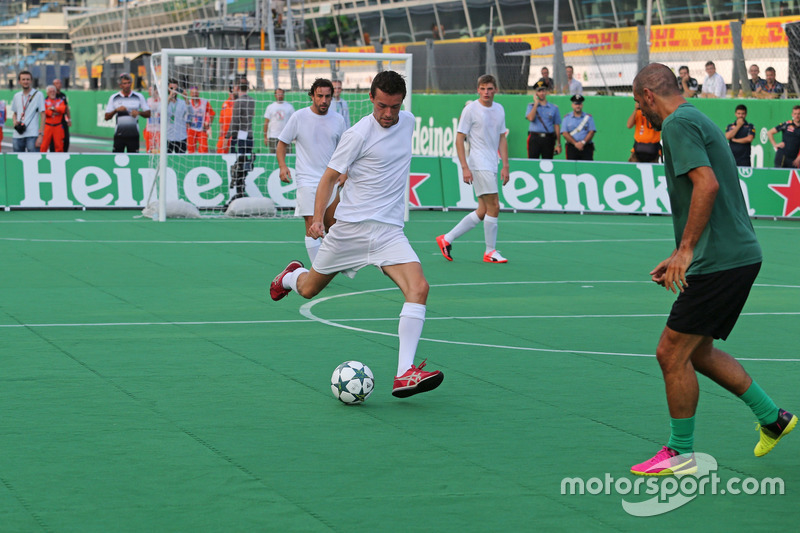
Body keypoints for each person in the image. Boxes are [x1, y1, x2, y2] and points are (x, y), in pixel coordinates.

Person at [629, 62, 795, 476]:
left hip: (721, 260)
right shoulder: (695, 116)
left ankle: (680, 453)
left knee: (670, 353)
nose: (640, 114)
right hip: (732, 254)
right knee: (697, 351)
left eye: (638, 103)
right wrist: (681, 251)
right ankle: (773, 418)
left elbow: (707, 185)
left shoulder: (675, 125)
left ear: (649, 95)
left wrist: (686, 251)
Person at [269, 70, 444, 399]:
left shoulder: (408, 122)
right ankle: (291, 276)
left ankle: (405, 372)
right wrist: (318, 218)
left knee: (419, 288)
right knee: (308, 290)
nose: (388, 114)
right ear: (371, 99)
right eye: (381, 106)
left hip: (389, 232)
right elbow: (329, 178)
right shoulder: (357, 133)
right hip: (350, 231)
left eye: (394, 106)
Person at [436, 74, 510, 264]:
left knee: (483, 209)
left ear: (496, 90)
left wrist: (505, 165)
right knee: (494, 205)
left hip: (492, 163)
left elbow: (502, 138)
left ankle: (447, 238)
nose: (486, 92)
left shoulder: (500, 109)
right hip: (478, 163)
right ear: (478, 90)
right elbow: (459, 138)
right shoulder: (470, 110)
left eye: (490, 89)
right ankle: (490, 251)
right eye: (483, 88)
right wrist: (464, 167)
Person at [276, 78, 347, 263]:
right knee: (313, 227)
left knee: (334, 226)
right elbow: (282, 143)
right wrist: (283, 166)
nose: (324, 100)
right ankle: (318, 271)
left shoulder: (338, 120)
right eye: (320, 96)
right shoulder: (299, 117)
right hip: (306, 181)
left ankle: (331, 263)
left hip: (330, 181)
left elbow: (344, 150)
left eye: (328, 96)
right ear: (312, 96)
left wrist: (345, 171)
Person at [104, 73, 150, 153]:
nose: (127, 85)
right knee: (116, 158)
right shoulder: (114, 97)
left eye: (129, 83)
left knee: (134, 160)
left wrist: (138, 113)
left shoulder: (138, 96)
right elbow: (106, 117)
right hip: (119, 135)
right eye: (125, 83)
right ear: (120, 85)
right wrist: (116, 110)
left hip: (134, 135)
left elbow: (148, 113)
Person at [10, 70, 45, 153]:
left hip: (32, 134)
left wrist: (41, 135)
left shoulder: (38, 94)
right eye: (23, 79)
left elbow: (43, 115)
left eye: (28, 79)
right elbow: (15, 113)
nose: (26, 81)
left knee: (33, 161)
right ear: (19, 81)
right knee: (17, 160)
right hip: (17, 134)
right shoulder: (17, 96)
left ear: (31, 81)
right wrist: (15, 122)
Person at [526, 80, 561, 159]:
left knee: (548, 163)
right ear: (536, 93)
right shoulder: (531, 106)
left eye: (543, 90)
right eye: (539, 91)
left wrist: (558, 144)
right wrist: (536, 104)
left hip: (548, 138)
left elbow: (557, 126)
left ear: (546, 92)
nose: (541, 93)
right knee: (533, 162)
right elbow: (531, 118)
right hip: (535, 138)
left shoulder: (554, 108)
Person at [561, 94, 596, 161]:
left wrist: (583, 143)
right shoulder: (567, 118)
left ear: (582, 105)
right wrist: (575, 143)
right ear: (572, 105)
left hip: (586, 147)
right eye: (576, 104)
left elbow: (591, 132)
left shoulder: (588, 117)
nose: (578, 106)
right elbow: (565, 133)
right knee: (571, 168)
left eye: (579, 104)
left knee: (587, 167)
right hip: (572, 147)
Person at [228, 79, 255, 154]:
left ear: (237, 88)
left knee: (238, 161)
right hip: (249, 135)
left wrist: (227, 136)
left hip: (239, 136)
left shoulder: (238, 101)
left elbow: (235, 120)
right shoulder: (252, 100)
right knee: (247, 160)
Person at [263, 88, 295, 153]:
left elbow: (294, 122)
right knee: (273, 158)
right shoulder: (270, 107)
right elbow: (266, 122)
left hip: (286, 137)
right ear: (275, 95)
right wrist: (265, 137)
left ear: (284, 95)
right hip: (273, 137)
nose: (280, 95)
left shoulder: (289, 107)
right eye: (278, 94)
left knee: (287, 157)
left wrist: (294, 136)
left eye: (281, 94)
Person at [187, 87, 215, 153]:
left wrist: (208, 124)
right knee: (190, 148)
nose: (195, 95)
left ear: (198, 93)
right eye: (193, 93)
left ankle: (202, 161)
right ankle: (191, 162)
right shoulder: (188, 103)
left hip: (201, 129)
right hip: (191, 129)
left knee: (204, 148)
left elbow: (212, 113)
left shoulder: (204, 102)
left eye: (196, 93)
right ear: (190, 94)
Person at [40, 85, 66, 153]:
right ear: (47, 93)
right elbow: (44, 111)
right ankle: (42, 159)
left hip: (58, 126)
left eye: (54, 91)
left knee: (59, 146)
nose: (52, 93)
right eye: (50, 91)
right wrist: (53, 112)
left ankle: (60, 161)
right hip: (47, 126)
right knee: (43, 145)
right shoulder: (45, 101)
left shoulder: (60, 101)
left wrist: (53, 108)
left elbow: (63, 109)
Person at [165, 79, 189, 153]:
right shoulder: (164, 101)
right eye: (171, 88)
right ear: (168, 89)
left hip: (181, 137)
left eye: (176, 89)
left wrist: (186, 98)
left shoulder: (182, 102)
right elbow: (161, 111)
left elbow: (191, 112)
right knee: (166, 161)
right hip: (168, 137)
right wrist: (169, 97)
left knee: (181, 161)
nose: (174, 91)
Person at [49, 78, 70, 152]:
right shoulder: (49, 97)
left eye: (60, 83)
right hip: (53, 122)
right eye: (57, 83)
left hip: (62, 120)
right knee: (53, 142)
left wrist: (69, 119)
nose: (59, 85)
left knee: (66, 140)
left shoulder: (63, 95)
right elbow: (48, 109)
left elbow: (66, 108)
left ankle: (64, 154)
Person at [216, 83, 236, 154]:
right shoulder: (225, 104)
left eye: (234, 92)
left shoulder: (239, 103)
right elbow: (221, 118)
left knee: (234, 151)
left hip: (235, 133)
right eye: (231, 92)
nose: (232, 94)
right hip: (225, 132)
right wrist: (221, 129)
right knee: (220, 149)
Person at [144, 85, 160, 153]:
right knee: (149, 150)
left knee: (160, 150)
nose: (149, 91)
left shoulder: (162, 100)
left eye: (151, 90)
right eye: (149, 89)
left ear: (156, 91)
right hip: (149, 129)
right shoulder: (148, 100)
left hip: (159, 130)